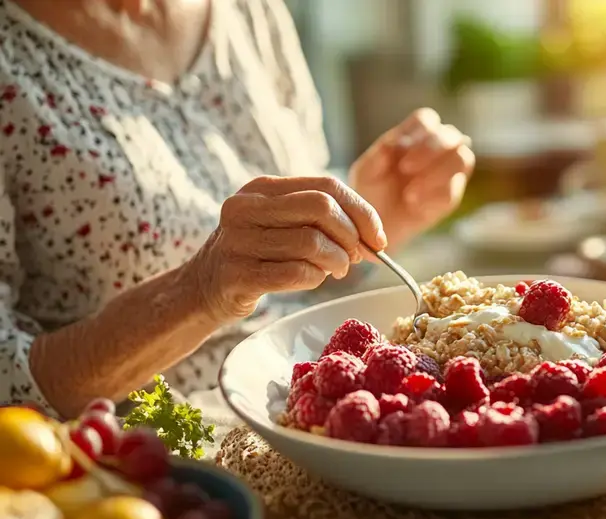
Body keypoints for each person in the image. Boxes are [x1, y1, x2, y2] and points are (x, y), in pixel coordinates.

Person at [0, 0, 475, 417]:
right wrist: (199, 291)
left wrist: (366, 224)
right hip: (157, 466)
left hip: (311, 407)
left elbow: (291, 290)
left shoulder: (251, 10)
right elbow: (8, 381)